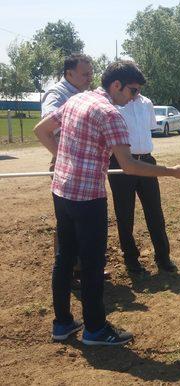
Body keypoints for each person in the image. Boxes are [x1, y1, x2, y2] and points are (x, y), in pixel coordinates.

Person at [34, 60, 180, 346]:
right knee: (93, 264)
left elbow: (41, 130)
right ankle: (95, 329)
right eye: (132, 91)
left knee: (64, 258)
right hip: (87, 198)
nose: (134, 98)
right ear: (116, 85)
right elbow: (129, 166)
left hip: (62, 190)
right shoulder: (111, 114)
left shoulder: (77, 100)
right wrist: (172, 172)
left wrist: (63, 159)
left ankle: (62, 324)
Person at [41, 53, 97, 287]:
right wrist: (61, 156)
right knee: (66, 220)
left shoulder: (83, 94)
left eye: (91, 74)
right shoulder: (57, 95)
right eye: (85, 74)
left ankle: (83, 266)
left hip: (84, 165)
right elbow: (48, 126)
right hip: (68, 166)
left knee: (84, 218)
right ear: (69, 74)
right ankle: (69, 270)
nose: (89, 78)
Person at [108, 94, 177, 275]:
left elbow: (148, 130)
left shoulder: (146, 103)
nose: (137, 89)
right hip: (121, 163)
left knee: (155, 211)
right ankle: (131, 259)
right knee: (124, 213)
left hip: (146, 161)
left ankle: (163, 257)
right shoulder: (114, 103)